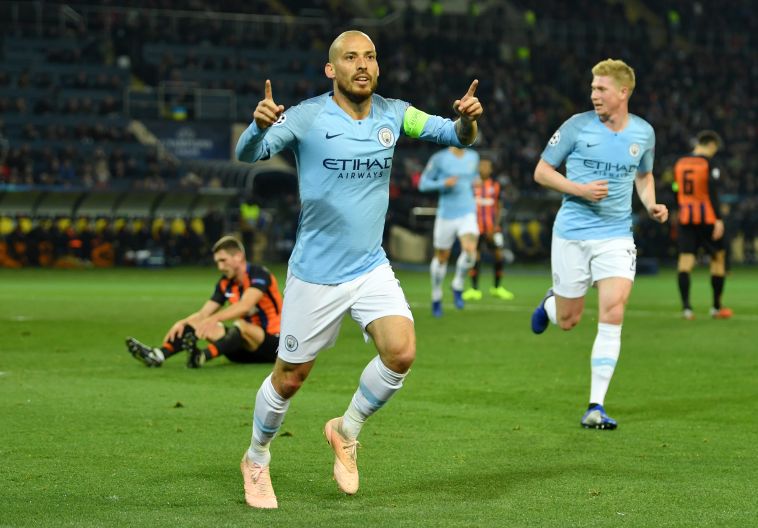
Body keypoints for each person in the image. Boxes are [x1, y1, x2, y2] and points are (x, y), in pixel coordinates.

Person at [235, 30, 482, 509]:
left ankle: (345, 430)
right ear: (332, 70)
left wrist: (467, 120)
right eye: (350, 58)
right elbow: (250, 155)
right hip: (315, 275)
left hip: (371, 267)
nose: (362, 65)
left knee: (402, 351)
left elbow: (455, 136)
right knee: (289, 379)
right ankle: (257, 457)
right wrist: (257, 126)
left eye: (369, 56)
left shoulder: (395, 113)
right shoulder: (307, 117)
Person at [529, 59, 669, 430]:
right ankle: (551, 304)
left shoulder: (643, 133)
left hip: (617, 235)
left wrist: (651, 203)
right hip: (572, 234)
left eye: (601, 89)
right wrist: (580, 190)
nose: (594, 94)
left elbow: (644, 175)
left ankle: (595, 406)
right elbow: (541, 171)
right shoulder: (576, 127)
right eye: (592, 88)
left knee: (613, 311)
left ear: (623, 92)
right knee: (569, 321)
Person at [125, 235, 281, 368]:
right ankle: (158, 355)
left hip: (275, 346)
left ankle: (201, 357)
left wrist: (213, 319)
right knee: (202, 323)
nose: (220, 267)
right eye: (217, 262)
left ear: (238, 256)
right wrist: (184, 323)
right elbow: (204, 313)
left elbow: (245, 306)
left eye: (223, 260)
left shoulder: (259, 274)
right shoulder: (224, 283)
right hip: (244, 350)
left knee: (239, 325)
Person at [673, 130, 732, 320]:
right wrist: (719, 219)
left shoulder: (679, 163)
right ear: (711, 145)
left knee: (685, 262)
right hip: (706, 217)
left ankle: (687, 309)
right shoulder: (709, 163)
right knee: (718, 258)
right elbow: (712, 192)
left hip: (685, 217)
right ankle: (716, 307)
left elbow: (675, 188)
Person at [418, 146, 480, 316]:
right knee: (441, 258)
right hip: (446, 214)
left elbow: (474, 177)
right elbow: (423, 183)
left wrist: (477, 180)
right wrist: (442, 183)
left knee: (470, 251)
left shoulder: (474, 156)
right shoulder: (439, 158)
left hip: (467, 211)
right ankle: (436, 295)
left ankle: (458, 284)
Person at [462, 157, 515, 301]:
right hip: (475, 228)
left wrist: (496, 225)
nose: (484, 168)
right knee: (475, 258)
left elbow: (498, 206)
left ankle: (497, 288)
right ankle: (474, 290)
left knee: (498, 256)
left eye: (487, 166)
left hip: (492, 228)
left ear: (491, 169)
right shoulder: (472, 185)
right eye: (482, 166)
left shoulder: (496, 186)